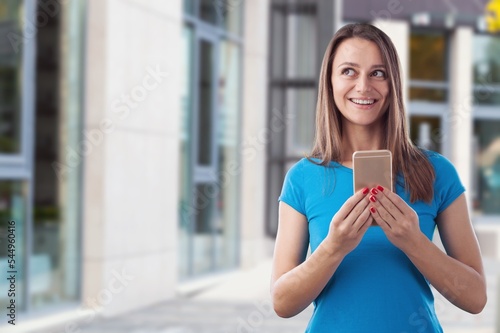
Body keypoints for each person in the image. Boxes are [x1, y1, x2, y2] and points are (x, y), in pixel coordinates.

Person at [271, 23, 487, 332]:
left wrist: (413, 242)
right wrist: (334, 247)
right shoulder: (303, 177)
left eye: (377, 73)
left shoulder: (437, 172)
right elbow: (282, 302)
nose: (363, 86)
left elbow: (476, 298)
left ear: (393, 83)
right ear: (330, 81)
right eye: (348, 71)